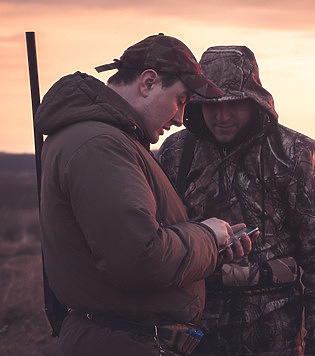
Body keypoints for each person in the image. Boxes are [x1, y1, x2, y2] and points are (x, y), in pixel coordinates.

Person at [34, 34, 255, 356]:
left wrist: (212, 253)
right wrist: (207, 235)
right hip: (125, 342)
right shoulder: (100, 145)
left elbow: (121, 249)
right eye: (180, 100)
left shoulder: (105, 139)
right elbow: (139, 259)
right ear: (148, 82)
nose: (181, 118)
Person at [157, 46, 315, 356]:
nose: (222, 116)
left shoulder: (296, 153)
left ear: (253, 101)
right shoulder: (175, 153)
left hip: (274, 335)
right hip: (191, 332)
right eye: (210, 104)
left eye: (233, 103)